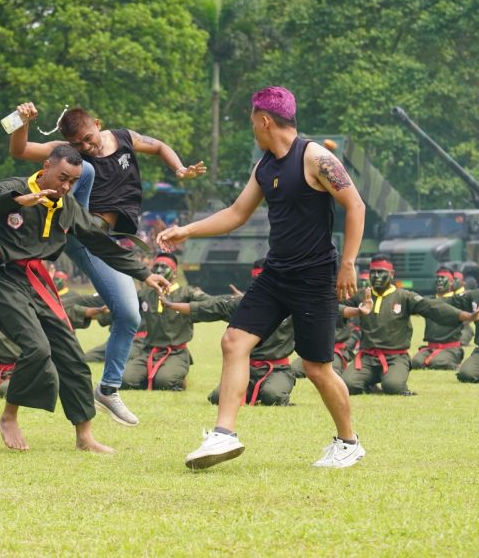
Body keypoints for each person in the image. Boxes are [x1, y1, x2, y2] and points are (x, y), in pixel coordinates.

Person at [157, 86, 367, 469]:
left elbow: (355, 205)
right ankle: (223, 434)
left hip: (314, 278)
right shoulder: (264, 167)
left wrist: (348, 263)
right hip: (275, 275)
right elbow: (236, 213)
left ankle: (348, 442)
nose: (252, 129)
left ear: (265, 120)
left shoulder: (315, 157)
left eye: (253, 122)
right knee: (234, 340)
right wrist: (187, 230)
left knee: (317, 367)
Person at [8, 101, 205, 427]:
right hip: (84, 234)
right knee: (84, 169)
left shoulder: (124, 138)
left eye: (88, 139)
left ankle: (108, 389)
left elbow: (158, 146)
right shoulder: (70, 154)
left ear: (97, 124)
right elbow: (20, 149)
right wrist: (21, 120)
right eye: (78, 144)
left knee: (129, 314)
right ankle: (64, 226)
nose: (86, 147)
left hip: (108, 239)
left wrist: (180, 168)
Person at [0, 144, 169, 453]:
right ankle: (9, 417)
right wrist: (16, 200)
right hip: (2, 277)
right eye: (62, 177)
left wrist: (144, 274)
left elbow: (101, 243)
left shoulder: (68, 206)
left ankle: (84, 437)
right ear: (47, 166)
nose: (66, 186)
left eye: (73, 182)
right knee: (37, 348)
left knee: (72, 356)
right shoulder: (16, 187)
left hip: (38, 281)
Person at [340, 257, 479, 395]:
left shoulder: (404, 297)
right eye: (373, 272)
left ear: (391, 274)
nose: (376, 276)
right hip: (367, 357)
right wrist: (356, 311)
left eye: (381, 272)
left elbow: (433, 307)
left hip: (395, 358)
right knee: (346, 384)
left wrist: (466, 316)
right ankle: (369, 382)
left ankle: (391, 379)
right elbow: (336, 307)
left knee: (393, 386)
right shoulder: (362, 295)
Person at [164, 259, 299, 406]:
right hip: (244, 369)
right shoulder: (243, 304)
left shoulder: (291, 305)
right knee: (218, 398)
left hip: (277, 370)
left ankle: (272, 389)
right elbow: (211, 307)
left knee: (272, 395)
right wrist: (171, 305)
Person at [120, 253, 209, 392]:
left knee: (165, 382)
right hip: (149, 351)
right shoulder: (145, 294)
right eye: (156, 266)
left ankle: (176, 377)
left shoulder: (186, 293)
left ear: (174, 273)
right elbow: (124, 310)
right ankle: (148, 376)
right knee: (125, 380)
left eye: (164, 266)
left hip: (175, 353)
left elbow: (210, 304)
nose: (159, 270)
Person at [411, 267, 469, 370]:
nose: (439, 280)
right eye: (438, 278)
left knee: (436, 363)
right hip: (431, 347)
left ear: (451, 282)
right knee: (415, 363)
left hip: (451, 348)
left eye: (443, 278)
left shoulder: (458, 300)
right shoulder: (428, 301)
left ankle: (459, 367)